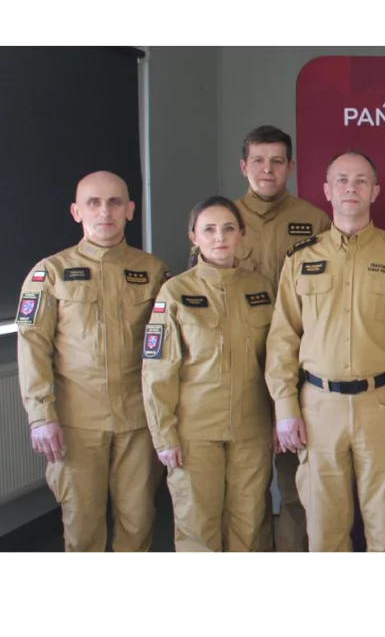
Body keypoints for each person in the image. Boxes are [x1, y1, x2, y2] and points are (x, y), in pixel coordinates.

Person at [265, 150, 385, 552]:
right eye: (341, 180)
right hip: (318, 409)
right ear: (327, 190)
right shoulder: (301, 259)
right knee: (324, 533)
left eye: (360, 181)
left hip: (383, 407)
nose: (350, 188)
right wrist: (285, 407)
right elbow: (282, 339)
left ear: (375, 191)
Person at [194, 126, 333, 552]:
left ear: (291, 167)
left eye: (277, 161)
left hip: (297, 372)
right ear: (243, 166)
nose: (267, 169)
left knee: (296, 488)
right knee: (238, 494)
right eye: (258, 160)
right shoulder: (222, 220)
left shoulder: (315, 220)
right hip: (237, 375)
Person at [15, 170, 170, 552]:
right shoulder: (50, 273)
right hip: (76, 422)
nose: (105, 212)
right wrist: (41, 416)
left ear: (130, 210)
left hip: (138, 420)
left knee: (138, 522)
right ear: (76, 211)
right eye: (94, 203)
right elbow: (33, 347)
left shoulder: (153, 271)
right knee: (82, 528)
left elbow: (168, 350)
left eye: (115, 202)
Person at [141, 196, 275, 551]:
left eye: (229, 228)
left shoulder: (260, 288)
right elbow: (157, 371)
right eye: (209, 229)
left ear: (241, 234)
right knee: (198, 529)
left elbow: (276, 361)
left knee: (250, 528)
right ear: (194, 236)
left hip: (252, 429)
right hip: (195, 434)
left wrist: (280, 416)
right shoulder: (175, 292)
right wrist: (164, 436)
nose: (220, 237)